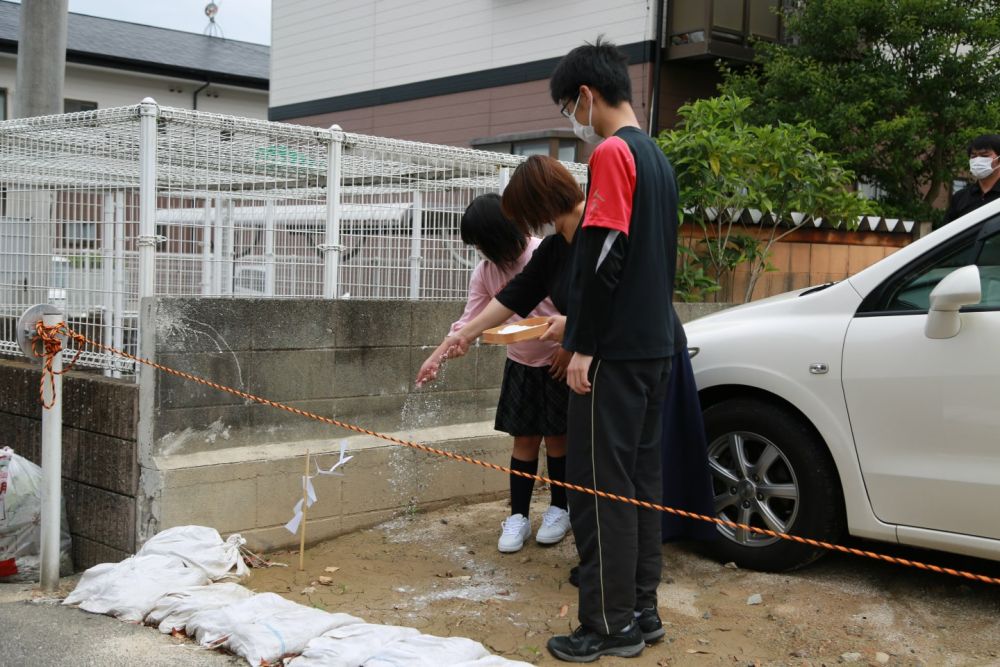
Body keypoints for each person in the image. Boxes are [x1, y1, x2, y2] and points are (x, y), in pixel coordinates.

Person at [545, 37, 681, 663]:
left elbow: (603, 254)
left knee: (598, 487)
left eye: (569, 107)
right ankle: (643, 611)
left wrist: (582, 345)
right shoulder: (658, 157)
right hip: (656, 349)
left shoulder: (613, 154)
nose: (572, 120)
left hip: (616, 355)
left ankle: (608, 625)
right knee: (641, 483)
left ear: (587, 96)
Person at [415, 194, 571, 554]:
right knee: (524, 441)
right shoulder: (486, 272)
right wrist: (436, 357)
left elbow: (573, 306)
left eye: (484, 244)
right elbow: (469, 322)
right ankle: (518, 516)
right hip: (521, 363)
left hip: (558, 362)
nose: (482, 253)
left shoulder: (544, 253)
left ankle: (560, 508)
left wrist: (569, 346)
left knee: (559, 440)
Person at [943, 134, 1000, 225]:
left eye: (984, 156)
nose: (978, 160)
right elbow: (946, 233)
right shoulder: (960, 197)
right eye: (973, 157)